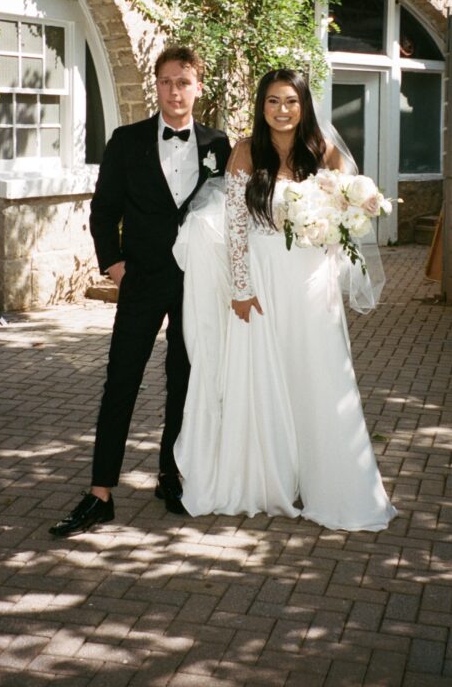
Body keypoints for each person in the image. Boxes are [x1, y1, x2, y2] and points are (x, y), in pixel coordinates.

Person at [173, 69, 397, 531]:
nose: (281, 110)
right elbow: (235, 224)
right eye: (273, 101)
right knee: (262, 378)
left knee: (319, 375)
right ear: (262, 106)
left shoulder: (324, 151)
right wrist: (240, 288)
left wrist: (363, 202)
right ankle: (268, 480)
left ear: (304, 105)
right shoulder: (243, 152)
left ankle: (334, 484)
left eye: (290, 101)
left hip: (312, 280)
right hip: (262, 278)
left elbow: (351, 208)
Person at [49, 45, 231, 537]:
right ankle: (100, 492)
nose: (176, 91)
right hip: (142, 279)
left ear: (198, 88)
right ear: (157, 86)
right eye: (168, 81)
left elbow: (230, 214)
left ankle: (170, 475)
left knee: (184, 379)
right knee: (121, 381)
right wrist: (114, 265)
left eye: (185, 82)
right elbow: (104, 210)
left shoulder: (219, 144)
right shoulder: (126, 141)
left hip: (196, 283)